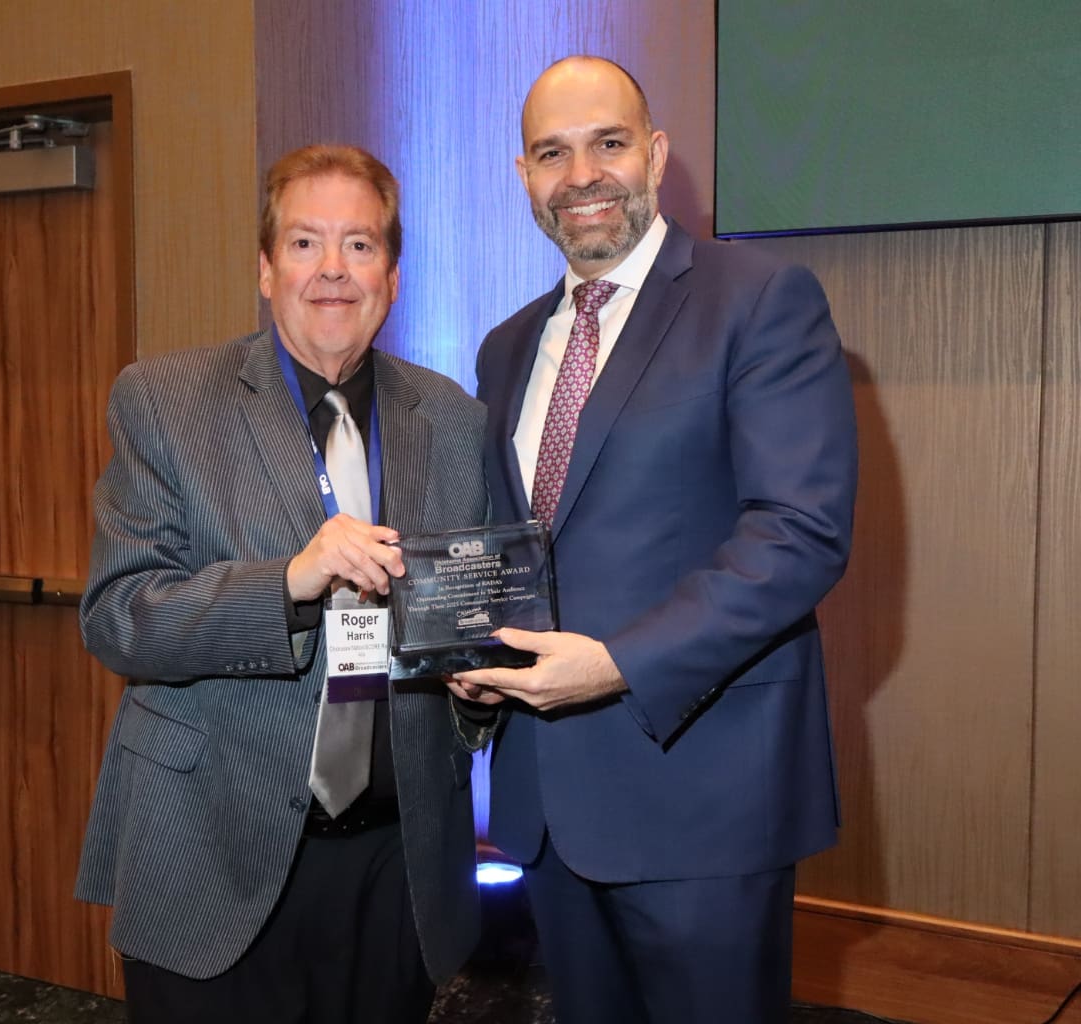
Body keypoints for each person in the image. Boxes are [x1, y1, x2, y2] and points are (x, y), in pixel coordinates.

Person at [453, 56, 859, 1023]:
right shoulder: (506, 346)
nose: (582, 175)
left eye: (609, 143)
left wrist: (617, 664)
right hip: (549, 804)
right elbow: (519, 545)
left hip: (703, 795)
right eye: (553, 153)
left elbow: (800, 532)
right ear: (523, 176)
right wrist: (470, 648)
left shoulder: (760, 298)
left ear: (658, 154)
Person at [75, 144, 490, 1024]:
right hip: (212, 851)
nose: (333, 269)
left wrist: (480, 694)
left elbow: (469, 619)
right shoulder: (164, 400)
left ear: (392, 277)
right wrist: (290, 583)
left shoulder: (454, 419)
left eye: (360, 245)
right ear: (266, 271)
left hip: (397, 868)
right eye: (305, 243)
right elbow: (120, 619)